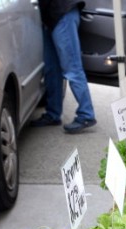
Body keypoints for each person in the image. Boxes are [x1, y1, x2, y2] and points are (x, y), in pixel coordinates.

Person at [31, 0, 97, 134]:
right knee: (52, 70)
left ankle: (86, 115)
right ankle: (53, 114)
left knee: (72, 68)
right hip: (50, 16)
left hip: (62, 12)